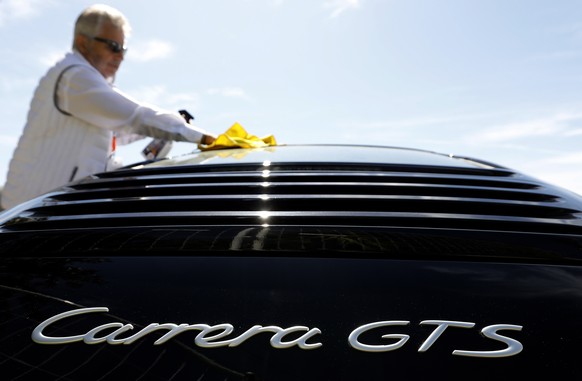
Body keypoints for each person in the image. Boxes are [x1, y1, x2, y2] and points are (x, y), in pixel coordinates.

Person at [1, 4, 216, 210]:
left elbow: (117, 132)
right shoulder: (75, 76)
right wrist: (203, 138)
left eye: (123, 49)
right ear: (83, 42)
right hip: (26, 218)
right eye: (113, 47)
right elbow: (136, 117)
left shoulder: (82, 82)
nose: (120, 56)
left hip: (43, 212)